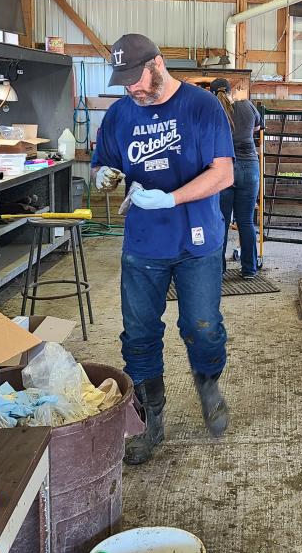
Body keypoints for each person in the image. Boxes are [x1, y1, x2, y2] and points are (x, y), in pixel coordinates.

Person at [92, 34, 235, 464]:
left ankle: (207, 381)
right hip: (143, 242)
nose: (131, 88)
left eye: (136, 78)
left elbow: (224, 174)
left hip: (197, 239)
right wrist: (99, 174)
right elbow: (103, 161)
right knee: (138, 334)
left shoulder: (201, 107)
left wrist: (171, 198)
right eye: (124, 81)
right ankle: (149, 416)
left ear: (157, 64)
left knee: (203, 325)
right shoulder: (120, 115)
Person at [208, 78, 262, 279]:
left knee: (221, 221)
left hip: (224, 168)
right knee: (246, 222)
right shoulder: (246, 105)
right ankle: (249, 269)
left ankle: (218, 269)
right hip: (249, 167)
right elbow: (257, 128)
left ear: (212, 94)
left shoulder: (213, 112)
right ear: (231, 91)